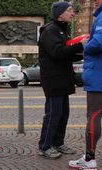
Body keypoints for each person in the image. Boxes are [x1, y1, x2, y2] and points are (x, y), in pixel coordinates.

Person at [37, 1, 89, 158]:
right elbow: (57, 53)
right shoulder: (50, 30)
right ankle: (44, 146)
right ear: (60, 13)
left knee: (63, 114)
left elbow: (65, 54)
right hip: (53, 79)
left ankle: (58, 142)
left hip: (63, 79)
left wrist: (80, 51)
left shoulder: (62, 31)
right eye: (69, 10)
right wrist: (79, 44)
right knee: (53, 114)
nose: (72, 13)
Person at [69, 0, 102, 170]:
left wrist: (87, 46)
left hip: (101, 72)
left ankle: (89, 158)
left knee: (94, 115)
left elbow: (101, 42)